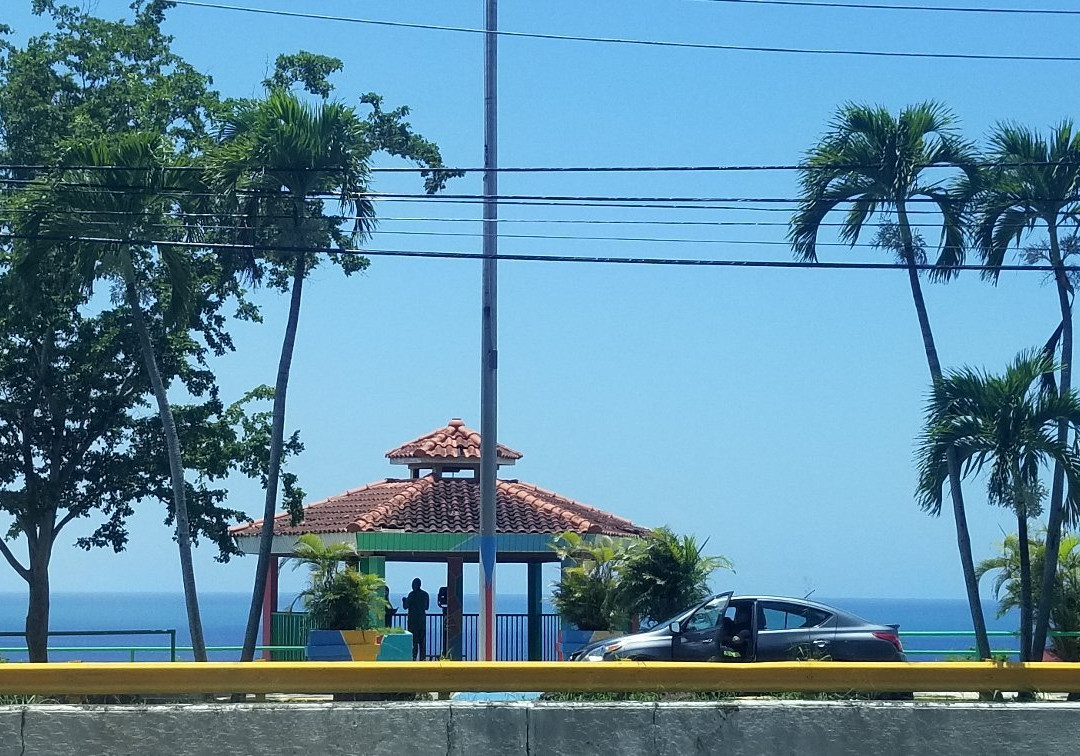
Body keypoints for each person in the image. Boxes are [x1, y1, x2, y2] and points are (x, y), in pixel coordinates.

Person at [402, 577, 430, 661]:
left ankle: (413, 658)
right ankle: (423, 658)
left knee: (414, 642)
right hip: (422, 621)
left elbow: (405, 606)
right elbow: (426, 607)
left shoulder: (412, 595)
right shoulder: (425, 594)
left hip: (413, 622)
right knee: (422, 642)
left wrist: (404, 600)